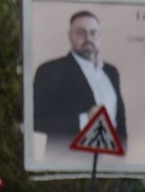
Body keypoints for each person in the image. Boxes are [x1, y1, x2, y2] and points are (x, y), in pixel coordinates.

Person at [32, 10, 128, 161]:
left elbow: (120, 119)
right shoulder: (51, 70)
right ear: (69, 36)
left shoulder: (111, 71)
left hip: (112, 164)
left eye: (93, 33)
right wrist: (84, 120)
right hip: (69, 166)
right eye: (81, 33)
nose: (88, 38)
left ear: (100, 36)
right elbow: (36, 120)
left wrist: (124, 155)